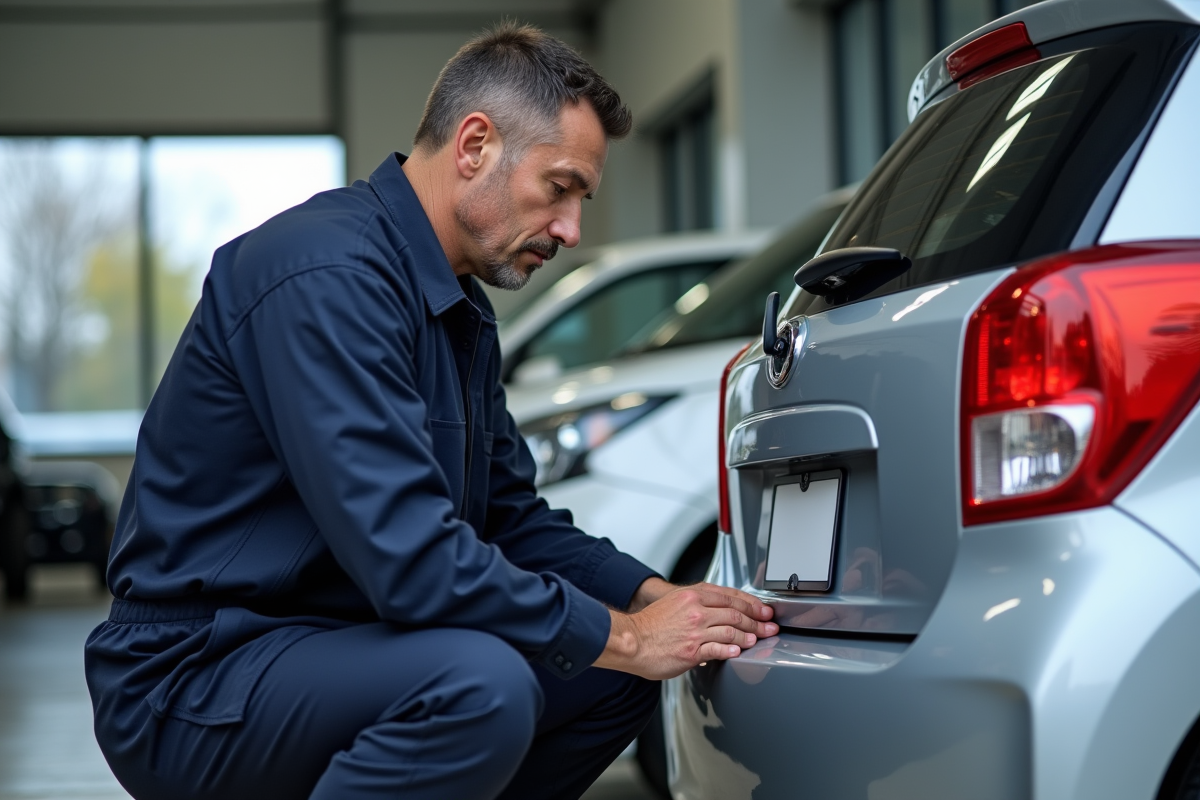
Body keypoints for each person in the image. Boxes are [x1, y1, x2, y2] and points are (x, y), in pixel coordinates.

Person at [84, 22, 776, 800]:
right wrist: (625, 635)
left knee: (609, 679)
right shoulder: (324, 275)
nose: (572, 230)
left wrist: (655, 601)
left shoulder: (456, 311)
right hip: (197, 674)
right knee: (479, 686)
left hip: (335, 648)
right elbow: (410, 559)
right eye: (560, 188)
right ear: (474, 145)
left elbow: (511, 516)